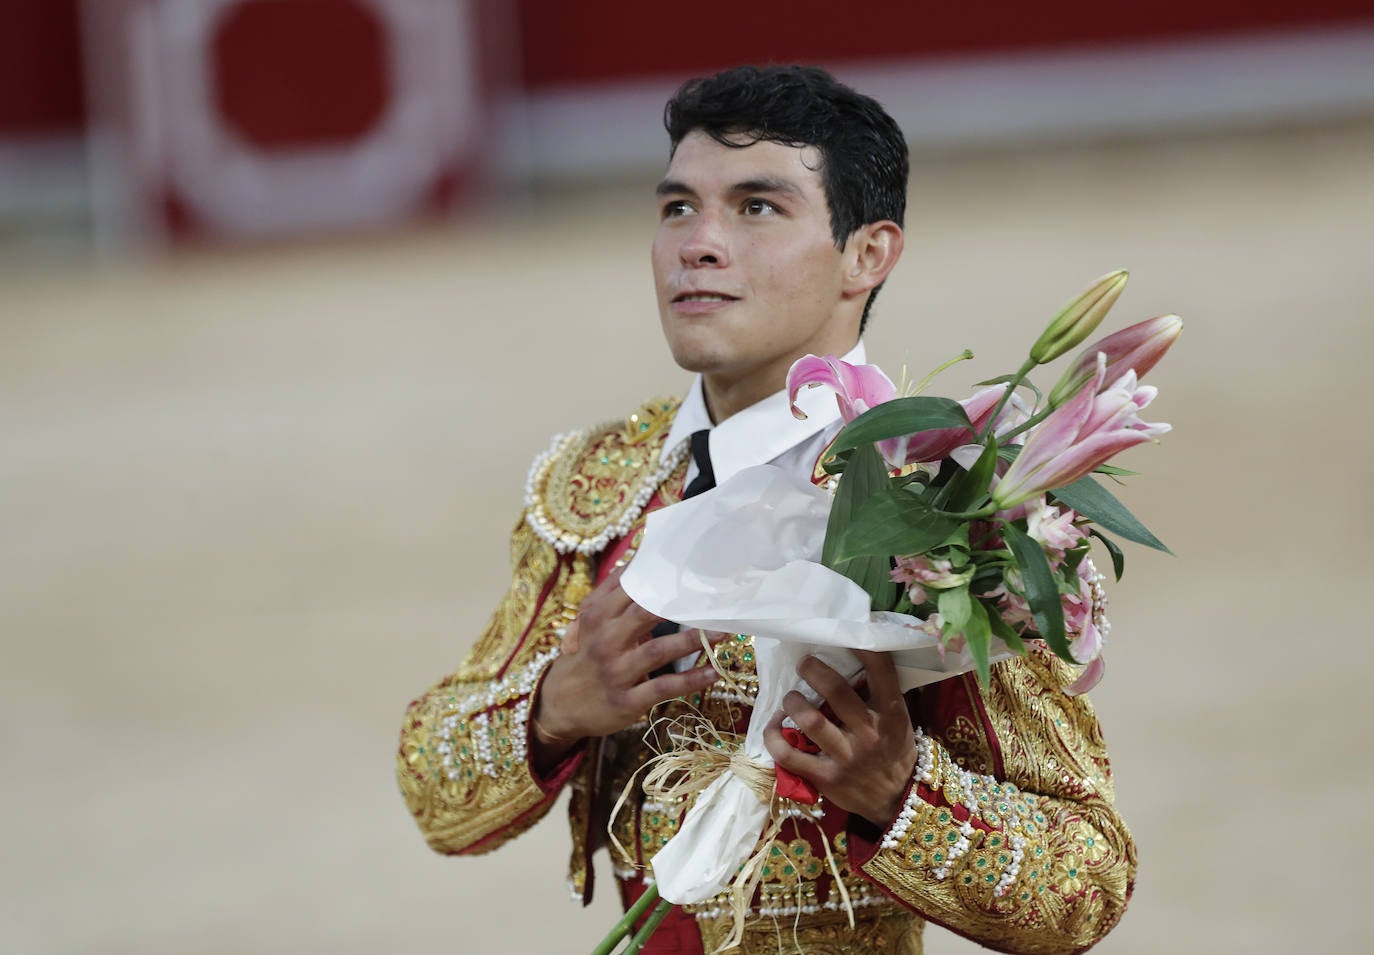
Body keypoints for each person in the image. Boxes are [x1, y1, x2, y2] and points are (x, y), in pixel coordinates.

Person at [397, 65, 1136, 955]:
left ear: (868, 254)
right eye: (677, 208)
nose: (698, 244)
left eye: (757, 208)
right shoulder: (603, 481)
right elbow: (434, 791)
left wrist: (904, 794)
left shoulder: (943, 500)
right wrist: (554, 706)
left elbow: (1086, 879)